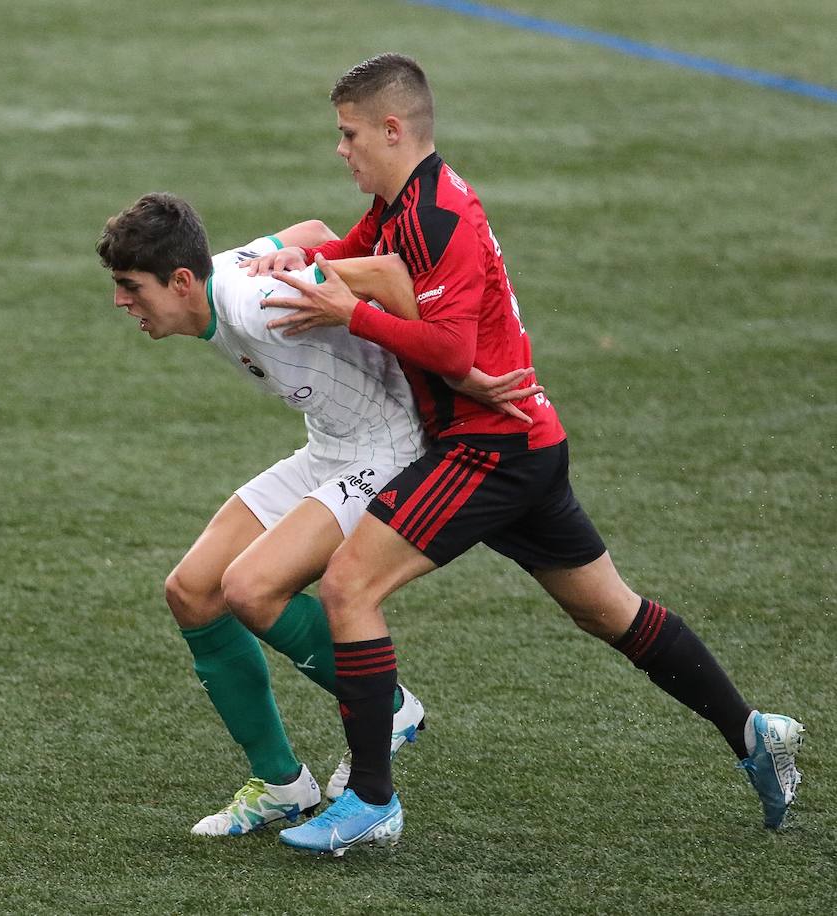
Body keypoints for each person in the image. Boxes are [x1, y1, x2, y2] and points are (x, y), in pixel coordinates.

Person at [244, 54, 805, 856]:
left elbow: (447, 343)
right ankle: (754, 734)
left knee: (349, 586)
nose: (341, 149)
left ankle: (370, 801)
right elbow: (353, 255)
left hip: (489, 447)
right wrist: (297, 262)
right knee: (608, 611)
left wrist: (347, 309)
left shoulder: (440, 214)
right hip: (522, 442)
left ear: (393, 128)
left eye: (349, 132)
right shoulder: (399, 203)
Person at [95, 192, 539, 837]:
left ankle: (389, 707)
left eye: (130, 286)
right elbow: (312, 230)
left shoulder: (255, 305)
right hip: (329, 447)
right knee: (192, 592)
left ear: (183, 280)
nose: (120, 301)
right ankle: (282, 786)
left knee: (248, 587)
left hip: (387, 449)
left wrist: (462, 378)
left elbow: (388, 272)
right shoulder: (228, 273)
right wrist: (307, 253)